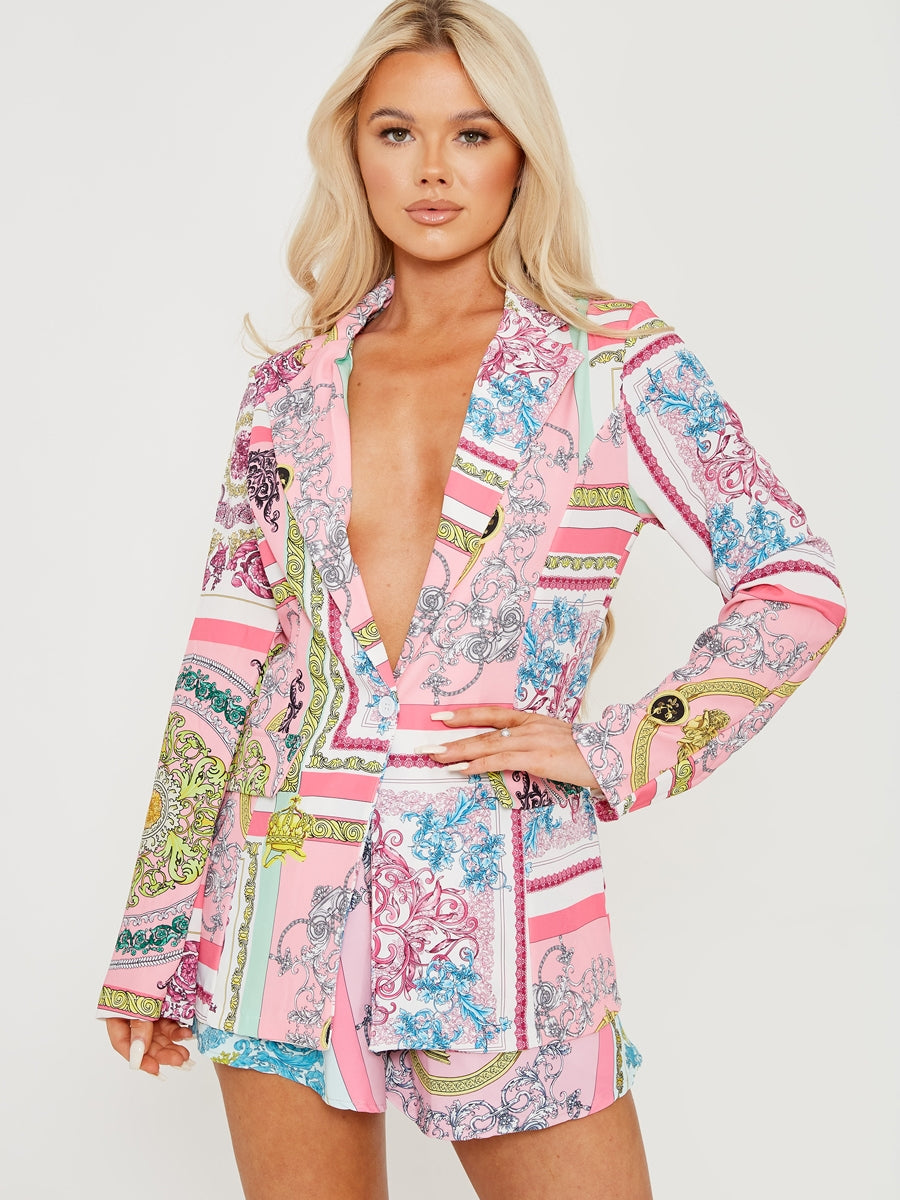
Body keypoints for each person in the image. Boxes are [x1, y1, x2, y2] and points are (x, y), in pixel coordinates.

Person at [98, 2, 845, 1196]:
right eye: (397, 132)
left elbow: (794, 582)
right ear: (354, 150)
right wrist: (155, 933)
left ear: (522, 153)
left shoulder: (614, 363)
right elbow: (225, 655)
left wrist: (622, 745)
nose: (433, 169)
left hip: (506, 901)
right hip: (280, 892)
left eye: (474, 133)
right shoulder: (287, 387)